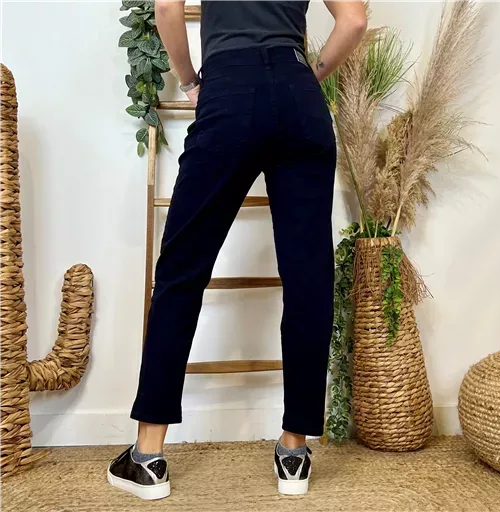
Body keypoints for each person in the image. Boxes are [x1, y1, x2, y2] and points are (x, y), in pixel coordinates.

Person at [108, 0, 367, 500]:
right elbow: (353, 20)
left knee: (182, 271)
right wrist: (311, 74)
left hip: (229, 86)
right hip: (299, 93)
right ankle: (294, 452)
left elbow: (166, 8)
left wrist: (190, 82)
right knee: (308, 278)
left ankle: (147, 457)